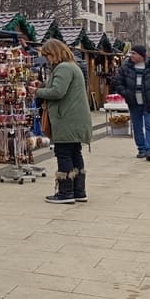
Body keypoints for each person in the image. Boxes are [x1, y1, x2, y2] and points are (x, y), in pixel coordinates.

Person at [35, 39, 93, 204]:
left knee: (64, 153)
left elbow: (57, 92)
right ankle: (79, 191)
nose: (47, 59)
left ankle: (65, 193)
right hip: (75, 118)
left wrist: (37, 91)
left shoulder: (64, 67)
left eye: (47, 55)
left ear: (54, 53)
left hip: (66, 118)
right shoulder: (72, 66)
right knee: (75, 152)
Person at [114, 44, 150, 161]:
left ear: (141, 55)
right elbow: (118, 82)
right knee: (137, 126)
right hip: (134, 103)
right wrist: (126, 93)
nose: (131, 55)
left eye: (134, 53)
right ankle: (141, 148)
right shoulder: (125, 68)